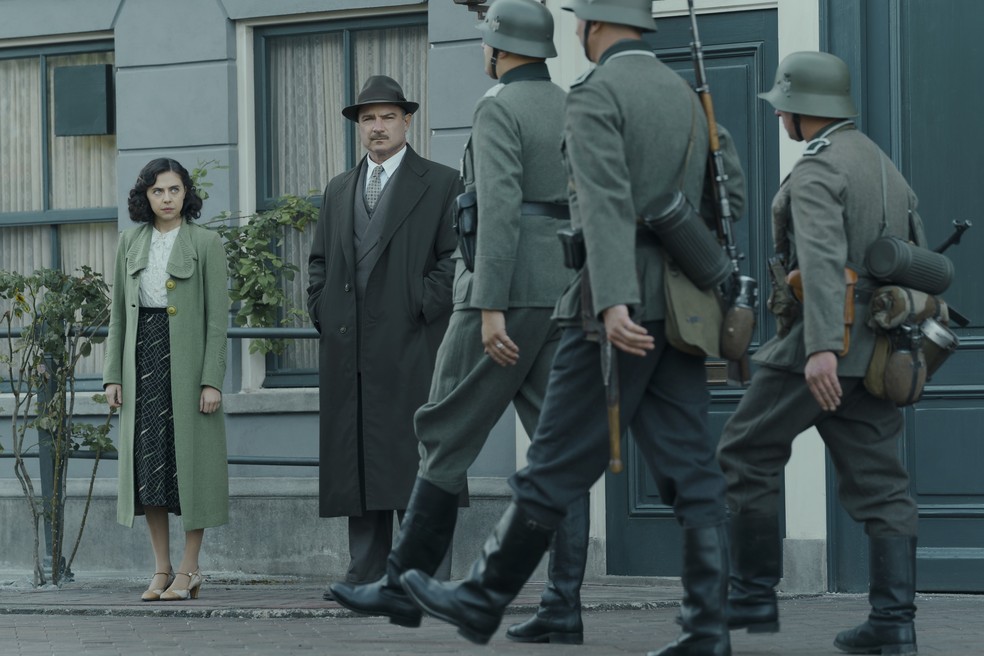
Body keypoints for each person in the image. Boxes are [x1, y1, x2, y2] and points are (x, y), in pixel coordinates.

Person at [397, 2, 744, 654]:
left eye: (582, 19)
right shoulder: (685, 96)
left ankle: (480, 599)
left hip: (607, 309)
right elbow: (730, 197)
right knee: (694, 471)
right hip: (682, 309)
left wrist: (613, 299)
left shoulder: (596, 94)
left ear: (595, 27)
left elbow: (605, 203)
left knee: (552, 461)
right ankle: (707, 628)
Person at [329, 0, 590, 644]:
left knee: (441, 429)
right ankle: (563, 604)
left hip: (498, 296)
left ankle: (400, 586)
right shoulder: (573, 107)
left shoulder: (498, 108)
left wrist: (491, 305)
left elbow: (498, 210)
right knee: (558, 451)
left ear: (499, 49)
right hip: (564, 291)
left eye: (485, 41)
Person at [717, 51, 921, 656]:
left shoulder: (816, 171)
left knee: (743, 450)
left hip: (816, 346)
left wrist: (823, 348)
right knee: (883, 486)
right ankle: (894, 623)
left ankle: (751, 592)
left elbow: (824, 262)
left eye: (783, 105)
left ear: (801, 111)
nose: (779, 114)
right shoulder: (885, 167)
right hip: (879, 353)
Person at [306, 75, 460, 597]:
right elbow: (320, 263)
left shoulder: (441, 182)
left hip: (413, 343)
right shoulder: (339, 188)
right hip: (349, 347)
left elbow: (456, 260)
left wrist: (420, 304)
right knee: (359, 455)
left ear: (407, 120)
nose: (377, 127)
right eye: (367, 118)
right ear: (358, 126)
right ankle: (365, 569)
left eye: (387, 116)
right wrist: (323, 310)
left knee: (416, 452)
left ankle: (423, 570)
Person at [103, 157, 229, 602]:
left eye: (174, 190)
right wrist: (112, 376)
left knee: (190, 467)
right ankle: (161, 569)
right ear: (146, 196)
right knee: (149, 467)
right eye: (158, 191)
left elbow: (218, 320)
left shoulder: (206, 242)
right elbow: (118, 314)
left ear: (186, 194)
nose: (167, 199)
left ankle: (190, 569)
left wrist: (211, 379)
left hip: (189, 365)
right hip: (142, 364)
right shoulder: (128, 242)